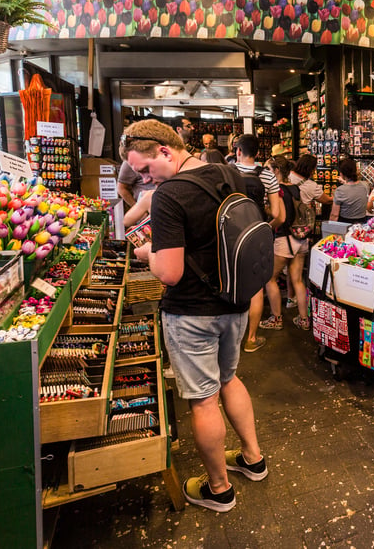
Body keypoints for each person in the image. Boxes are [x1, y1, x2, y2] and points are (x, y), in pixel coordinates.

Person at [120, 120, 267, 513]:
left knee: (204, 400)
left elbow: (169, 272)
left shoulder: (170, 195)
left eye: (146, 170)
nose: (146, 180)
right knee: (230, 378)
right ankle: (253, 459)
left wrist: (146, 253)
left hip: (192, 313)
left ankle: (218, 489)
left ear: (166, 152)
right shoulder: (230, 173)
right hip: (234, 300)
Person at [233, 134, 284, 352]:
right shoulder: (267, 175)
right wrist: (264, 225)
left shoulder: (226, 171)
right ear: (258, 153)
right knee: (255, 289)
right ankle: (251, 339)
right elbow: (275, 212)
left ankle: (229, 340)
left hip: (230, 236)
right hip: (255, 237)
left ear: (237, 151)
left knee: (230, 284)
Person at [262, 156, 310, 331]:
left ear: (275, 171)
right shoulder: (295, 188)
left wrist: (267, 227)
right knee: (297, 280)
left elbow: (280, 217)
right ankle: (304, 319)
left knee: (270, 278)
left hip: (284, 240)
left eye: (268, 170)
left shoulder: (278, 190)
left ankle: (276, 318)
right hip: (300, 239)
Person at [330, 157, 370, 224]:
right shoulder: (366, 185)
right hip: (362, 224)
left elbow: (334, 215)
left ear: (341, 173)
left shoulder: (340, 191)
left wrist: (330, 230)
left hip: (345, 224)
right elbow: (354, 189)